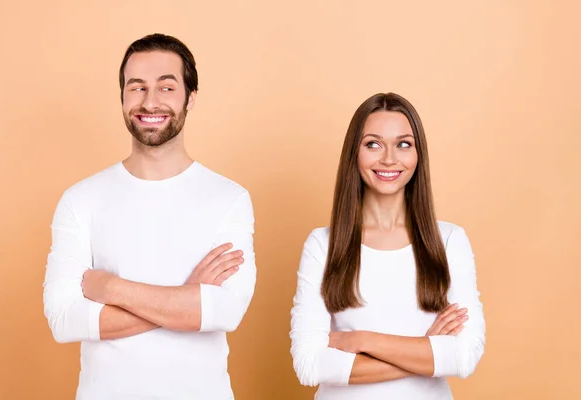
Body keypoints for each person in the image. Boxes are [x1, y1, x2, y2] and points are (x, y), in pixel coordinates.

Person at [43, 33, 256, 400]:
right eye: (137, 87)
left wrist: (112, 289)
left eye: (166, 87)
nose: (150, 101)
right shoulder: (80, 200)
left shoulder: (229, 199)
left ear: (190, 97)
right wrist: (187, 300)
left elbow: (225, 311)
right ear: (122, 97)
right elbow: (64, 320)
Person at [290, 92, 485, 399]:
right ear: (354, 153)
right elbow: (310, 364)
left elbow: (464, 356)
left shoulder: (449, 241)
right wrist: (426, 351)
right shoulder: (322, 245)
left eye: (403, 144)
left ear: (418, 154)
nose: (389, 158)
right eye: (373, 144)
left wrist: (361, 341)